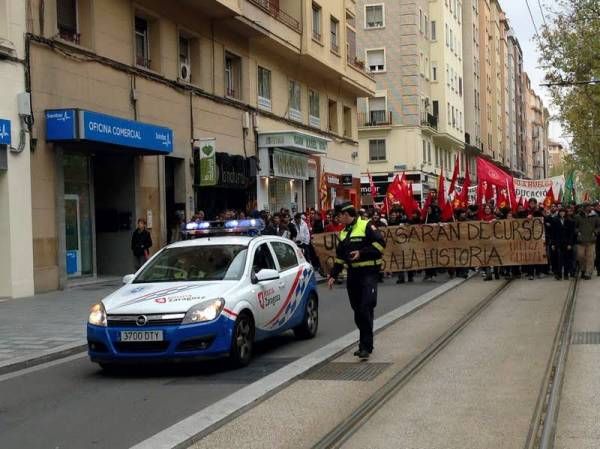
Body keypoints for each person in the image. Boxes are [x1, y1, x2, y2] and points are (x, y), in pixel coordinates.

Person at [327, 202, 386, 360]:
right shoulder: (343, 233)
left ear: (346, 214)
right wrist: (333, 275)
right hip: (353, 275)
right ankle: (365, 343)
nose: (338, 219)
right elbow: (340, 258)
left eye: (339, 216)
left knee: (366, 307)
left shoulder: (367, 225)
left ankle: (365, 346)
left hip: (369, 273)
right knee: (358, 311)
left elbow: (380, 245)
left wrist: (361, 253)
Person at [573, 204, 600, 280]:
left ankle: (588, 272)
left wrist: (595, 232)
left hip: (591, 240)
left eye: (589, 206)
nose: (589, 208)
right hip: (581, 240)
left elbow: (598, 226)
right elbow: (574, 227)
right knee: (580, 256)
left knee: (590, 257)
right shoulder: (578, 216)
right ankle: (583, 269)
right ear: (583, 208)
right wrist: (577, 232)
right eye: (587, 207)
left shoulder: (595, 216)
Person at [550, 207, 576, 280]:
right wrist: (553, 244)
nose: (562, 213)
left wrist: (570, 244)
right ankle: (559, 274)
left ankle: (566, 274)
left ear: (565, 213)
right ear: (559, 213)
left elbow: (571, 234)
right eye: (561, 212)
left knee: (567, 259)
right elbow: (553, 233)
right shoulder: (555, 220)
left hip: (567, 243)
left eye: (563, 212)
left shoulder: (570, 221)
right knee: (559, 259)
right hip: (558, 242)